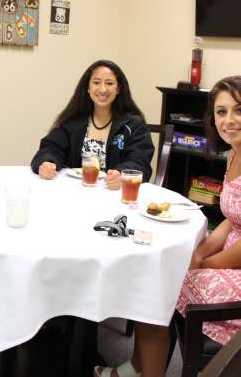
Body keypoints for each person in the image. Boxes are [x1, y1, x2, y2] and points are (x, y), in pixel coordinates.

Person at [95, 75, 241, 377]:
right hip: (230, 260)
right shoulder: (235, 153)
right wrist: (198, 255)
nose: (229, 120)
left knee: (159, 283)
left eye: (238, 110)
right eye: (221, 111)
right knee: (164, 274)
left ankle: (142, 371)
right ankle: (139, 367)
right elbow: (232, 218)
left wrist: (203, 264)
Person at [31, 60, 154, 189]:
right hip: (75, 191)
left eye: (109, 83)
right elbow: (50, 148)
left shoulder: (134, 124)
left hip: (115, 194)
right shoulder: (73, 121)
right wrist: (46, 162)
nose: (102, 89)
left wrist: (122, 174)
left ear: (118, 89)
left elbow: (140, 161)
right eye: (96, 82)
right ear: (88, 88)